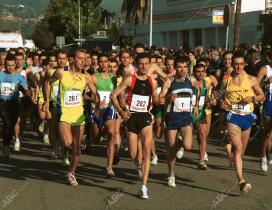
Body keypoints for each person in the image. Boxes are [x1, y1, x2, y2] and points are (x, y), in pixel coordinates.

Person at [43, 49, 100, 186]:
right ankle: (61, 146)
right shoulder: (61, 72)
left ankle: (72, 173)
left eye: (85, 58)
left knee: (77, 148)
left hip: (79, 115)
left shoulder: (86, 77)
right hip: (64, 113)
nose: (83, 61)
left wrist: (97, 103)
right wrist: (46, 100)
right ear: (72, 59)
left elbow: (95, 92)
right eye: (80, 58)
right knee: (68, 143)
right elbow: (47, 83)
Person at [110, 53, 159, 199]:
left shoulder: (153, 82)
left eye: (146, 64)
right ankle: (138, 166)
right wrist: (121, 111)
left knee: (146, 152)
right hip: (131, 118)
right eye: (141, 64)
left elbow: (156, 100)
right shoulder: (130, 79)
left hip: (145, 118)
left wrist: (163, 99)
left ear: (150, 65)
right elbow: (113, 95)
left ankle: (144, 187)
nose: (144, 67)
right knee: (133, 153)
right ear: (137, 65)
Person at [221, 54, 265, 192]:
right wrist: (221, 102)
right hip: (233, 116)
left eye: (241, 64)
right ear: (232, 65)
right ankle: (241, 181)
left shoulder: (251, 79)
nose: (238, 66)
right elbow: (220, 95)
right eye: (236, 64)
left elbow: (262, 95)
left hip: (247, 117)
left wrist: (252, 98)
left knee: (240, 153)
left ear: (244, 64)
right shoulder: (226, 81)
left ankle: (232, 154)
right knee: (238, 148)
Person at [159, 56, 200, 187]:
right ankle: (171, 175)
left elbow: (198, 90)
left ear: (187, 68)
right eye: (179, 67)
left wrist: (196, 105)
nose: (182, 70)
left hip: (186, 118)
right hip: (171, 119)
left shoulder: (191, 80)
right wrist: (169, 96)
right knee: (171, 150)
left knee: (188, 146)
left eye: (185, 67)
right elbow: (160, 100)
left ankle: (181, 144)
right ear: (175, 68)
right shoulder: (169, 82)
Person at [0, 54, 31, 157]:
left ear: (15, 65)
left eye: (12, 65)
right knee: (7, 123)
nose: (10, 67)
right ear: (5, 64)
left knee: (11, 125)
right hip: (2, 103)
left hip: (14, 104)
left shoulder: (20, 77)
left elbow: (25, 88)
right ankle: (5, 146)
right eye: (8, 65)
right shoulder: (0, 75)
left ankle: (6, 144)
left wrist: (28, 92)